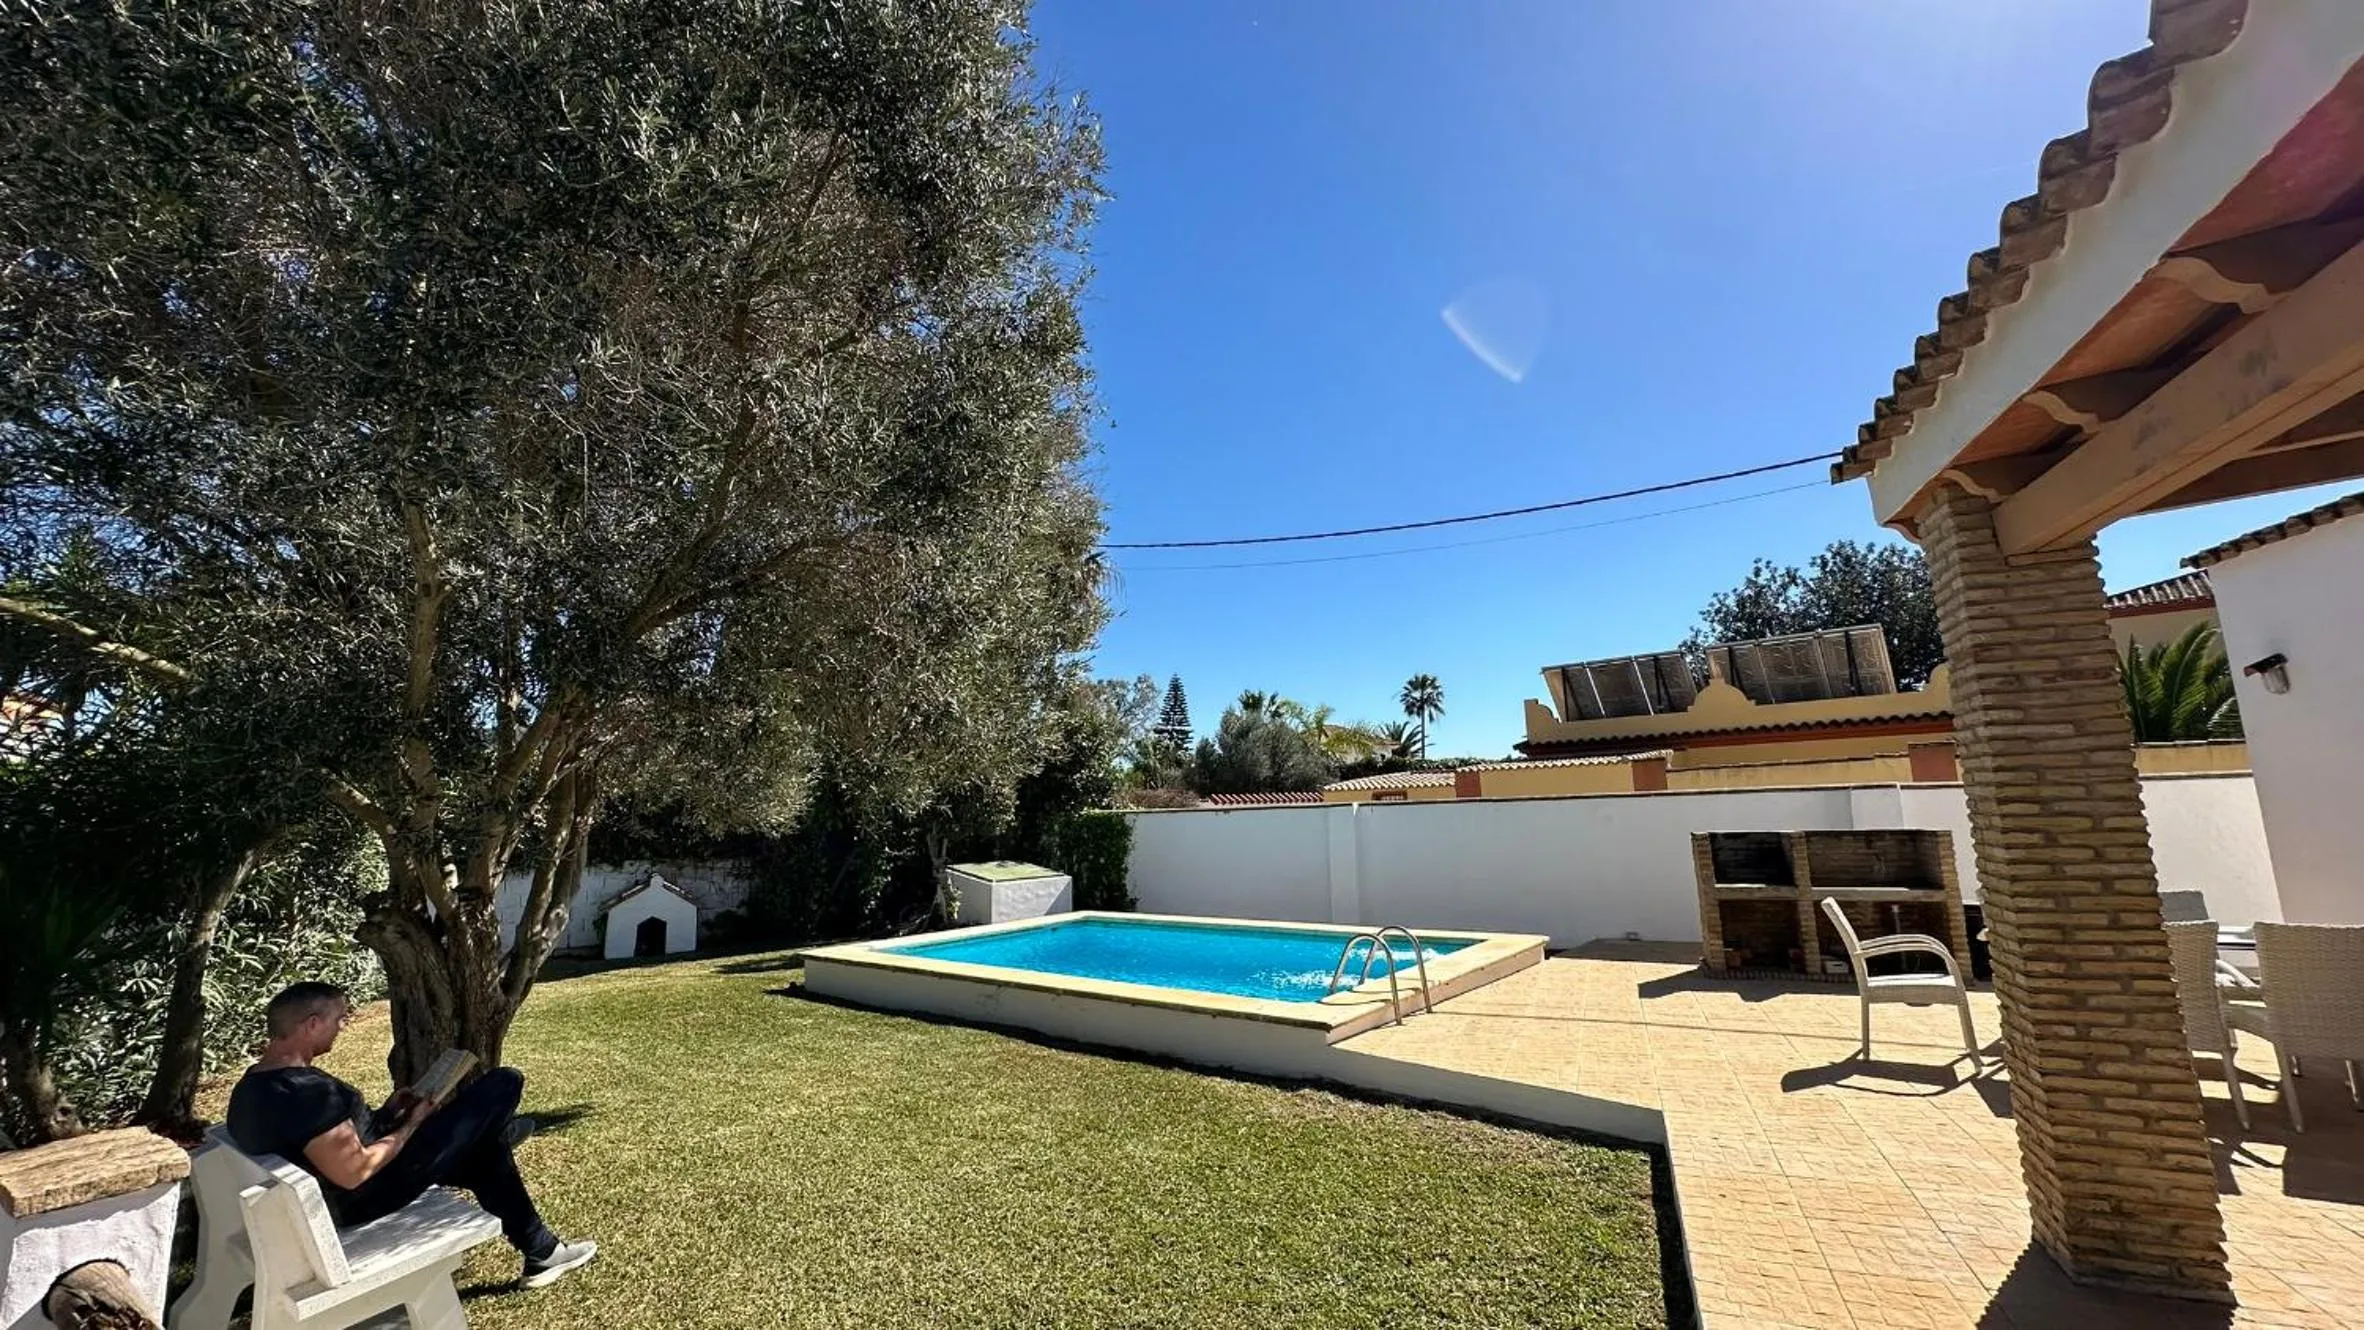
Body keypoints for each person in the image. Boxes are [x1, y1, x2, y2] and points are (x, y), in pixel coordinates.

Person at [226, 981, 597, 1289]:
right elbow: (353, 1171)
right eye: (339, 1019)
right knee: (504, 1082)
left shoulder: (253, 1085)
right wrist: (411, 1124)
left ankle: (543, 1253)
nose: (342, 1027)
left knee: (485, 1155)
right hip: (364, 1196)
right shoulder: (306, 1092)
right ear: (311, 1025)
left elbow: (322, 1142)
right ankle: (495, 1135)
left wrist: (388, 1114)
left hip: (337, 1193)